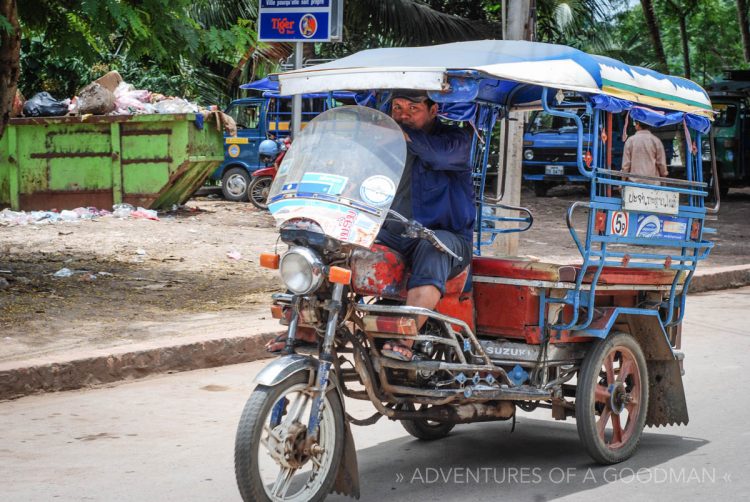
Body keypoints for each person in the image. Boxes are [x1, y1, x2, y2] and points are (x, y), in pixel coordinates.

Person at [378, 90, 474, 361]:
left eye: (413, 108)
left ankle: (404, 339)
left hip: (449, 240)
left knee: (433, 248)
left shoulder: (457, 140)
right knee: (336, 242)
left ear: (434, 110)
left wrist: (402, 137)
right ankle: (309, 328)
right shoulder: (387, 144)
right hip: (395, 232)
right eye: (397, 107)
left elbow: (439, 157)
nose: (402, 115)